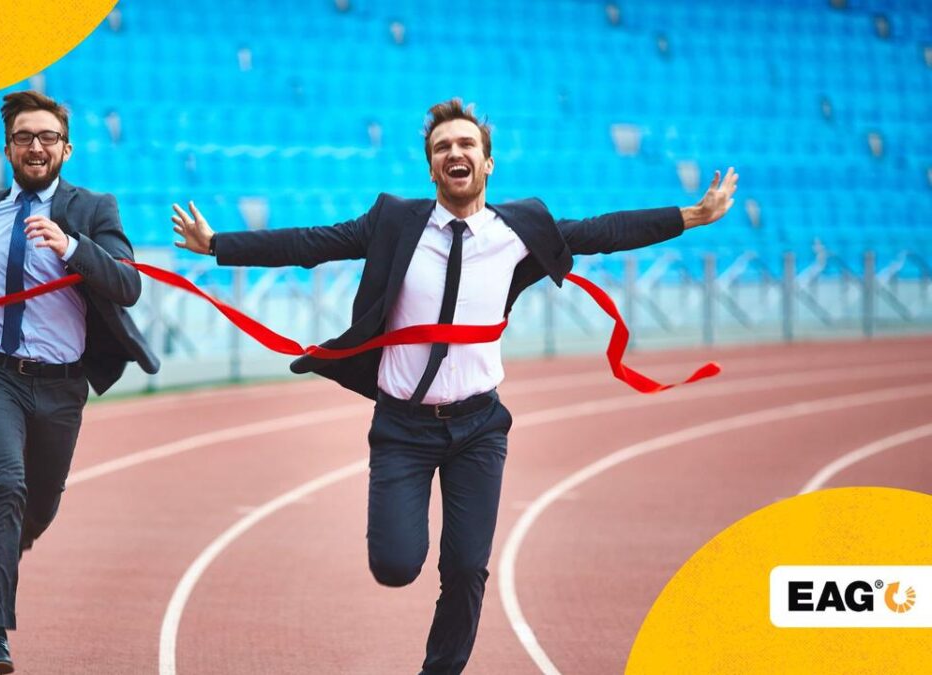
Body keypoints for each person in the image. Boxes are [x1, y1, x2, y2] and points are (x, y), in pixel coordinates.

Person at [171, 99, 736, 674]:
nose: (455, 153)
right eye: (442, 148)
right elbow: (311, 245)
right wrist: (219, 244)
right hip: (402, 427)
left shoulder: (521, 231)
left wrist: (690, 215)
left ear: (488, 163)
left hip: (479, 427)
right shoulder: (393, 221)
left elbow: (601, 232)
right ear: (431, 169)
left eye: (466, 145)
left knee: (467, 568)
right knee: (395, 565)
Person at [0, 90, 158, 675]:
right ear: (9, 148)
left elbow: (127, 285)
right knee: (6, 483)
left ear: (65, 148)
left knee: (38, 505)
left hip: (61, 384)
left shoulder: (94, 209)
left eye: (47, 137)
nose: (36, 146)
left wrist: (70, 247)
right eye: (24, 137)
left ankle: (8, 544)